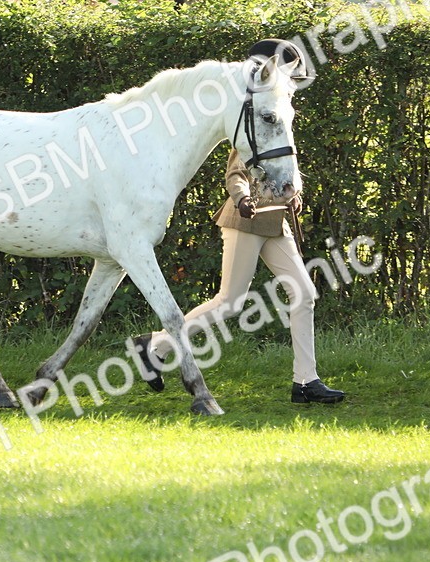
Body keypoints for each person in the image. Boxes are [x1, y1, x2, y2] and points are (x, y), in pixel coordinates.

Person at [131, 39, 346, 405]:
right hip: (246, 222)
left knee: (304, 294)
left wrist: (292, 194)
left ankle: (306, 381)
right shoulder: (249, 122)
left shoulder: (275, 114)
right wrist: (242, 197)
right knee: (230, 302)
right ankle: (156, 346)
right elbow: (236, 174)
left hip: (274, 223)